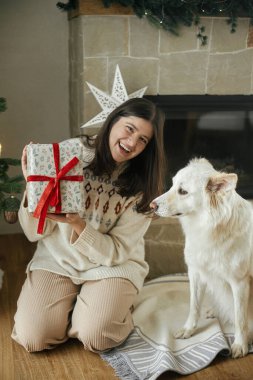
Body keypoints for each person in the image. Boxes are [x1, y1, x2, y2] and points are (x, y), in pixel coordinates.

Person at [12, 97, 166, 353]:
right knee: (33, 337)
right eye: (129, 129)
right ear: (112, 120)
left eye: (143, 140)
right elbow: (33, 233)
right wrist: (34, 186)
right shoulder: (70, 153)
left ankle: (94, 313)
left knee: (97, 336)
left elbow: (117, 251)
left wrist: (78, 224)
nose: (132, 143)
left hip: (113, 265)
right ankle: (77, 310)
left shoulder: (144, 185)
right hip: (59, 261)